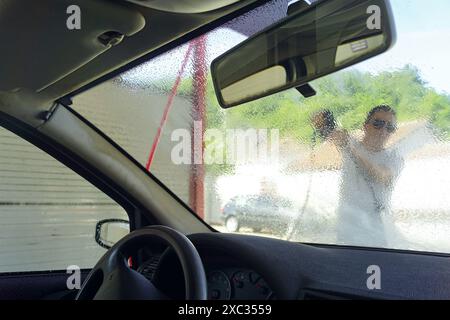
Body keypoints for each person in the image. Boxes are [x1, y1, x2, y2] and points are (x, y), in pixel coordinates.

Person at [312, 105, 406, 248]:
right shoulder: (350, 143)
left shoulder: (395, 158)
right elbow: (317, 119)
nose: (383, 130)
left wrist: (349, 147)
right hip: (346, 230)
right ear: (366, 126)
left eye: (390, 127)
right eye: (378, 123)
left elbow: (380, 176)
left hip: (378, 235)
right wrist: (327, 123)